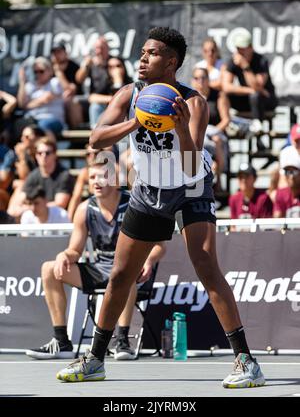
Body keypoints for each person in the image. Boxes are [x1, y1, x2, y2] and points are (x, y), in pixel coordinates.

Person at [57, 26, 265, 388]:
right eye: (142, 52)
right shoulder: (128, 94)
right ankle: (95, 359)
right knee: (121, 275)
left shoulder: (194, 102)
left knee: (206, 266)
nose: (142, 58)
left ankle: (246, 360)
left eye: (151, 53)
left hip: (190, 188)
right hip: (148, 190)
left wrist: (180, 127)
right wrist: (136, 120)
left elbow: (188, 165)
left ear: (171, 62)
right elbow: (95, 139)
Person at [26, 162, 165, 360]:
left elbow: (159, 245)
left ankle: (123, 341)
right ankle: (61, 342)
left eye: (102, 177)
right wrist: (64, 255)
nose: (96, 182)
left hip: (130, 271)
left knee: (127, 272)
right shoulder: (84, 209)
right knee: (48, 269)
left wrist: (148, 260)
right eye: (92, 178)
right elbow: (75, 250)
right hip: (101, 269)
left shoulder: (135, 205)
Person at [222, 29, 277, 150]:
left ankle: (258, 131)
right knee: (223, 95)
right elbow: (225, 86)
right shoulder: (233, 60)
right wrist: (249, 91)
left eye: (243, 48)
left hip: (265, 100)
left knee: (256, 96)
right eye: (238, 48)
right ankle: (231, 124)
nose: (240, 52)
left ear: (250, 47)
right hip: (249, 98)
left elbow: (257, 86)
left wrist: (245, 67)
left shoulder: (261, 60)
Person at [191, 67, 228, 191]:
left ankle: (218, 182)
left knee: (217, 140)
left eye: (203, 78)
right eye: (197, 78)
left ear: (208, 80)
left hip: (215, 133)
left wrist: (210, 132)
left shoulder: (218, 95)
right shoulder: (189, 98)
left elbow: (226, 120)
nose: (200, 81)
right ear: (193, 81)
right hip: (196, 135)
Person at [17, 57, 67, 137]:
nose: (38, 74)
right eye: (35, 72)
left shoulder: (54, 82)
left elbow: (46, 98)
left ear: (50, 71)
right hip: (32, 119)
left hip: (53, 120)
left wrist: (27, 105)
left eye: (41, 71)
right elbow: (21, 103)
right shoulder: (30, 85)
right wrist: (22, 82)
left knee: (40, 128)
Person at [22, 137, 74, 210]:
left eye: (47, 153)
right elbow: (21, 200)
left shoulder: (64, 175)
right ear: (36, 156)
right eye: (40, 153)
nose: (43, 156)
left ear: (55, 155)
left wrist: (32, 208)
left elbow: (60, 204)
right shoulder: (33, 175)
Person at [76, 36, 112, 129]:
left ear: (107, 48)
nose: (99, 51)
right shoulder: (91, 64)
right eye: (97, 48)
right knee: (95, 105)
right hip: (98, 99)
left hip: (113, 98)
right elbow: (79, 80)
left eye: (102, 48)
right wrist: (86, 66)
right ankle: (96, 135)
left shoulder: (115, 62)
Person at [50, 41, 84, 128]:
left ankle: (77, 134)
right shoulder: (48, 68)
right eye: (54, 52)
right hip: (53, 99)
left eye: (59, 52)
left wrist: (58, 72)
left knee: (69, 101)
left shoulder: (74, 67)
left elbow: (70, 90)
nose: (56, 55)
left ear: (65, 53)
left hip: (73, 100)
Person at [273, 149, 300, 218]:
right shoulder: (281, 194)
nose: (291, 176)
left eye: (294, 171)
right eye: (287, 172)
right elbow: (276, 223)